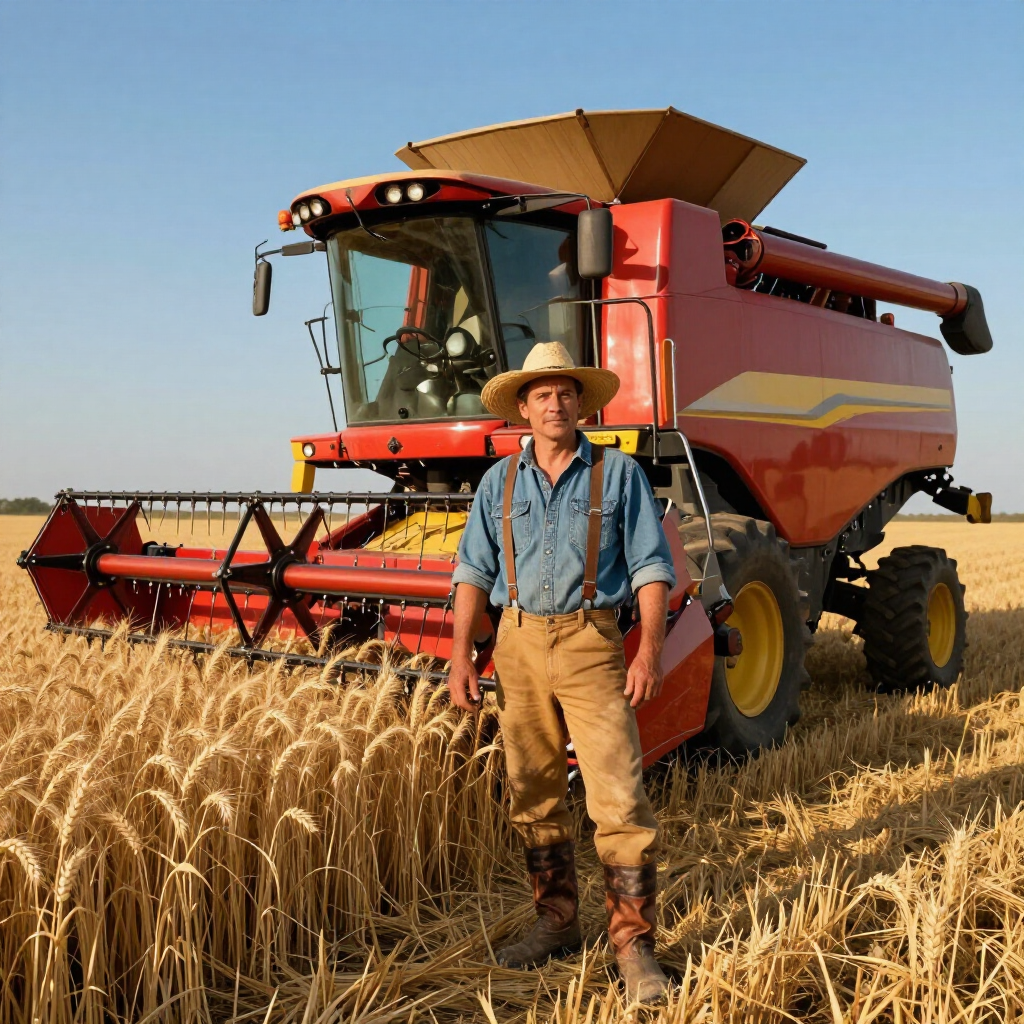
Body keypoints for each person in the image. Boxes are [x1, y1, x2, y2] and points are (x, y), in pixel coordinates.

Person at [448, 340, 677, 1003]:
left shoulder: (619, 474)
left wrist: (650, 649)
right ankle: (556, 922)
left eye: (566, 393)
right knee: (533, 791)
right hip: (516, 642)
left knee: (618, 796)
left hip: (590, 640)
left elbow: (651, 568)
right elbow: (472, 571)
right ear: (523, 408)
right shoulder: (499, 481)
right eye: (542, 394)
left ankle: (634, 946)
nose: (555, 403)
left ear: (581, 404)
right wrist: (462, 653)